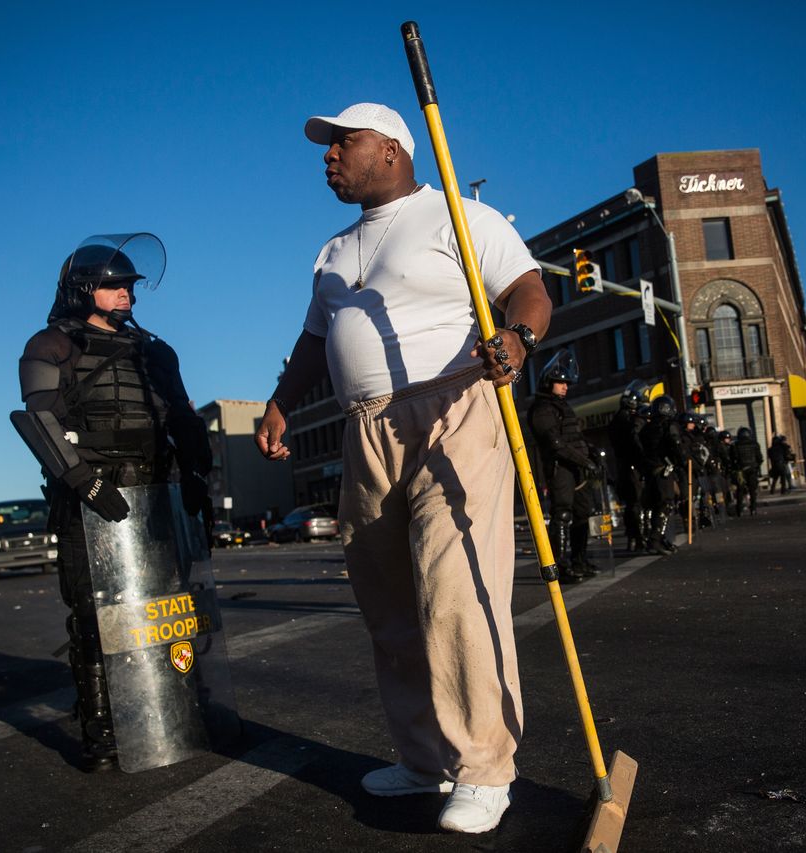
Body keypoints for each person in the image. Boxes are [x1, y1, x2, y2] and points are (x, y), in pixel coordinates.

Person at [254, 103, 552, 834]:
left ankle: (484, 767)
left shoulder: (459, 212)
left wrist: (516, 340)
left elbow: (531, 290)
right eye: (325, 147)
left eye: (341, 142)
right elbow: (313, 339)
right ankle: (424, 758)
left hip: (453, 407)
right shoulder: (330, 252)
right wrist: (281, 403)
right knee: (388, 603)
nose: (328, 157)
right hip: (366, 427)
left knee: (455, 588)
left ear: (391, 149)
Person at [15, 234, 212, 772]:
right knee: (95, 616)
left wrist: (198, 474)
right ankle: (103, 733)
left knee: (174, 608)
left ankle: (184, 706)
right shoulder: (51, 345)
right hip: (92, 498)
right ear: (83, 289)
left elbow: (182, 416)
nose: (126, 292)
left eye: (128, 284)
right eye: (112, 285)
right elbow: (39, 420)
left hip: (158, 491)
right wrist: (82, 481)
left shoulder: (154, 349)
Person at [529, 352, 599, 583]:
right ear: (549, 382)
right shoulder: (542, 409)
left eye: (567, 383)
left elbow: (573, 436)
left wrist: (592, 454)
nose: (565, 387)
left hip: (576, 468)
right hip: (560, 469)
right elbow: (556, 444)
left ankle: (579, 560)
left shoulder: (561, 406)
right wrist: (584, 461)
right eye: (561, 382)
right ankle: (559, 566)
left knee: (582, 514)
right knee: (563, 515)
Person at [638, 395, 684, 554]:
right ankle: (655, 540)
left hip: (650, 471)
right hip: (663, 470)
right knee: (665, 504)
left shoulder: (646, 428)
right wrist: (681, 460)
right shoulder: (669, 426)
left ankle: (660, 538)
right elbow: (676, 446)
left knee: (656, 505)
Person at [608, 383, 649, 552]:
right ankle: (638, 538)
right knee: (636, 502)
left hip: (622, 466)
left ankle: (633, 537)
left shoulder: (616, 419)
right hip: (632, 466)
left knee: (630, 503)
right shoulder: (629, 421)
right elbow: (635, 442)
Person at [731, 426, 764, 516]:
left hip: (741, 471)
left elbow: (733, 458)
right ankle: (753, 509)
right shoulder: (754, 444)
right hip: (752, 469)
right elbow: (760, 458)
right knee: (752, 490)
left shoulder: (736, 445)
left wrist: (736, 468)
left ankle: (739, 510)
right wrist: (756, 466)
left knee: (740, 490)